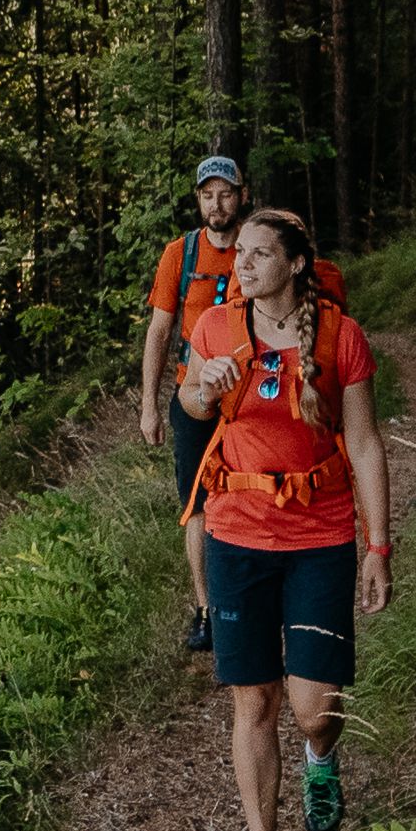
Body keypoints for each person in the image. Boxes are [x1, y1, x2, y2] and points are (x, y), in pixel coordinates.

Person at [171, 206, 387, 831]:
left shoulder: (339, 336)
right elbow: (192, 403)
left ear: (296, 264)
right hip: (237, 534)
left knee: (313, 708)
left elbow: (365, 445)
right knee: (253, 700)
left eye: (262, 255)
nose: (246, 265)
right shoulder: (215, 328)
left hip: (321, 535)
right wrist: (207, 383)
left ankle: (321, 761)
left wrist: (378, 545)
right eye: (243, 256)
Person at [136, 155, 258, 649]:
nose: (217, 203)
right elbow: (160, 330)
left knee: (253, 495)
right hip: (195, 399)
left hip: (254, 398)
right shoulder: (180, 254)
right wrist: (149, 403)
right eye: (207, 195)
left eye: (225, 193)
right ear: (198, 200)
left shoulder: (258, 247)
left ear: (241, 195)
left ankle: (252, 599)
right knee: (199, 505)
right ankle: (208, 611)